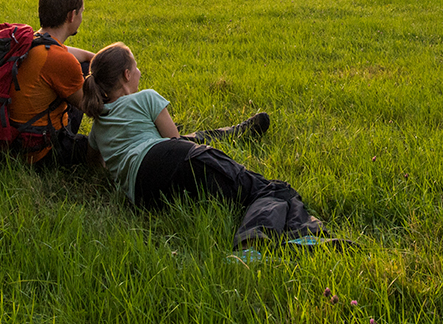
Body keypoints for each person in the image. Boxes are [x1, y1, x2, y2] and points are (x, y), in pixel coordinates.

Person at [82, 41, 324, 247]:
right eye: (136, 67)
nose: (140, 73)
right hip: (169, 157)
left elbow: (96, 163)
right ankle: (280, 238)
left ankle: (238, 133)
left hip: (142, 193)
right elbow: (175, 141)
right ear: (126, 74)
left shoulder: (98, 126)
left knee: (226, 188)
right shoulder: (146, 98)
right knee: (266, 188)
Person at [7, 0, 96, 168]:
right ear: (72, 16)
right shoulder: (59, 60)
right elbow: (92, 108)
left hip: (16, 139)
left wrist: (95, 59)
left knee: (85, 66)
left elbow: (75, 54)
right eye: (81, 12)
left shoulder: (31, 41)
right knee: (104, 148)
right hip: (39, 153)